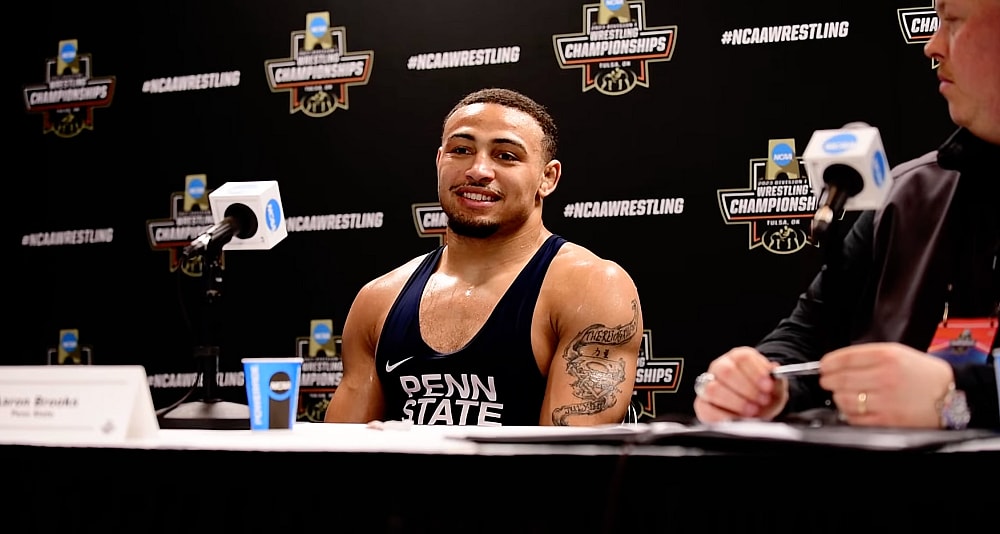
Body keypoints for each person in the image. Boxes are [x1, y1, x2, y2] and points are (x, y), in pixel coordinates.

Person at [693, 0, 1000, 430]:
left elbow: (957, 398)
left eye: (952, 21)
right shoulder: (907, 197)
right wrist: (763, 384)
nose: (932, 45)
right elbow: (806, 336)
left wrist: (955, 399)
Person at [324, 88, 643, 426]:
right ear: (439, 161)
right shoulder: (378, 300)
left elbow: (568, 456)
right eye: (461, 150)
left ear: (547, 178)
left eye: (506, 156)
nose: (478, 170)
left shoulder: (590, 287)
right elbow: (340, 450)